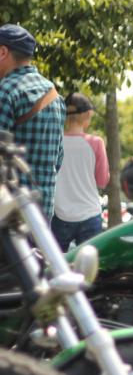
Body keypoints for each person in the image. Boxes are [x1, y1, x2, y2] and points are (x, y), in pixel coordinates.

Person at [0, 24, 65, 220]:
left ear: (3, 52)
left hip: (9, 214)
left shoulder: (6, 91)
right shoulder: (55, 96)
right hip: (43, 213)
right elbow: (58, 158)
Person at [52, 93, 109, 249]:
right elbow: (102, 181)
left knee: (55, 262)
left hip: (60, 214)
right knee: (89, 263)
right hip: (90, 214)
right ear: (88, 114)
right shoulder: (96, 142)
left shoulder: (56, 141)